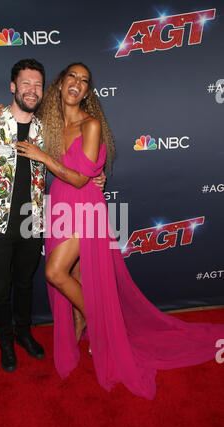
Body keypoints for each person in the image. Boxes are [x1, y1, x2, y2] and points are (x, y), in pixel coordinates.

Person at [16, 62, 224, 399]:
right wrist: (0, 108)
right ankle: (88, 327)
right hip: (60, 204)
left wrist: (45, 158)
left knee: (55, 272)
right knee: (77, 275)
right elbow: (19, 109)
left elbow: (81, 178)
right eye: (72, 76)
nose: (77, 83)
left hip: (84, 206)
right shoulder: (49, 121)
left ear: (88, 91)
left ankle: (100, 327)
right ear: (59, 84)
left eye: (85, 81)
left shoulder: (91, 123)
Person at [0, 59, 106, 374]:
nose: (31, 89)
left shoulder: (45, 127)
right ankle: (5, 344)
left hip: (31, 221)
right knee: (0, 291)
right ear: (13, 86)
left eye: (37, 84)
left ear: (44, 90)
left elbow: (76, 158)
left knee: (25, 283)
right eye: (25, 83)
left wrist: (97, 175)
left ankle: (24, 334)